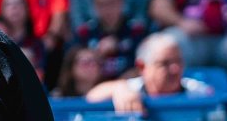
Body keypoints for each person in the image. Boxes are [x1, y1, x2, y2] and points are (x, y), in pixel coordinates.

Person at [85, 32, 213, 112]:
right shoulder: (132, 89)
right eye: (164, 63)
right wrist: (118, 89)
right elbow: (90, 98)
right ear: (142, 67)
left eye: (178, 61)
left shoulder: (197, 92)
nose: (175, 69)